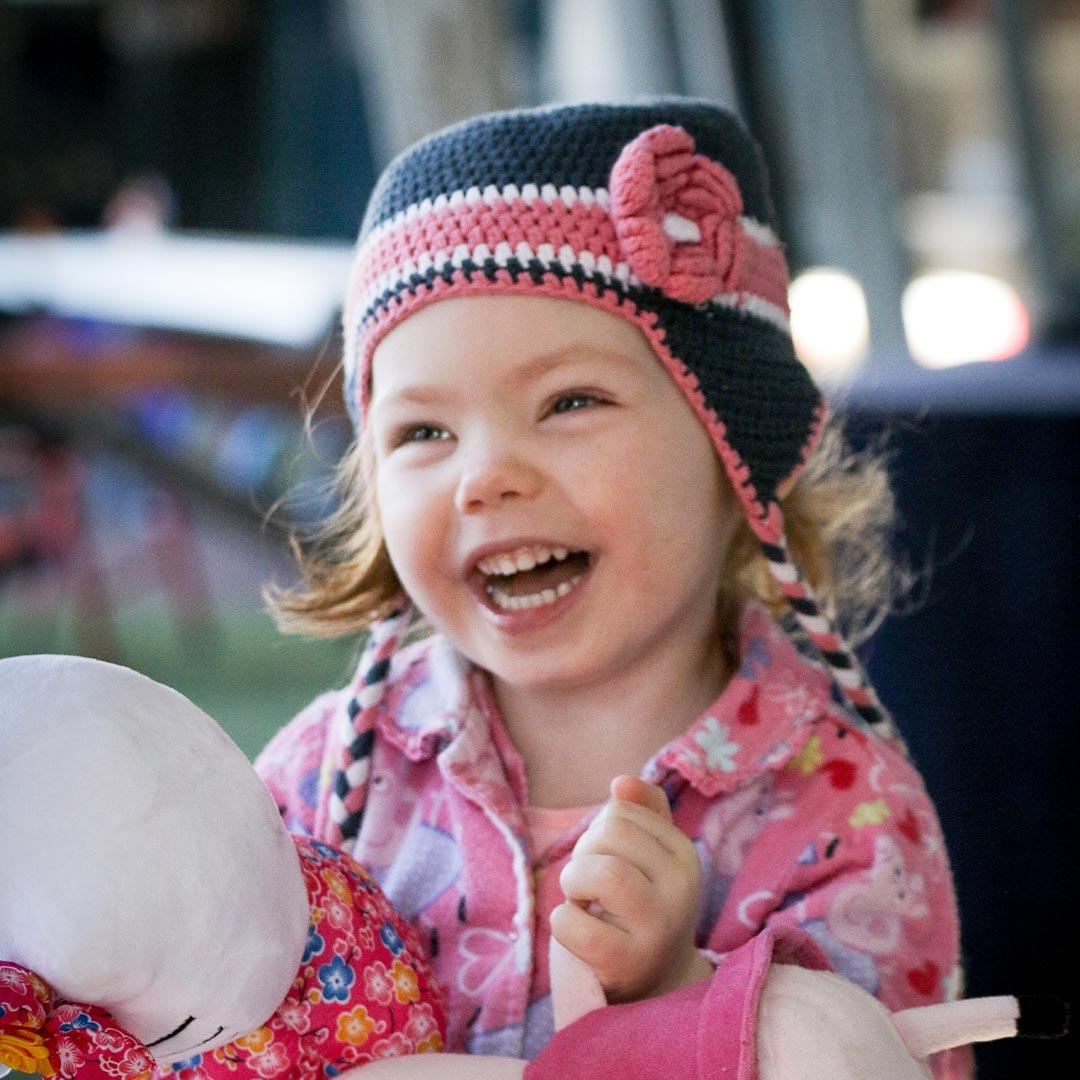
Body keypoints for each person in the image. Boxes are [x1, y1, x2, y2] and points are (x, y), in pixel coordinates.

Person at [256, 100, 968, 1078]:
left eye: (570, 403)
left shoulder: (842, 814)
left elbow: (876, 1065)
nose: (485, 476)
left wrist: (679, 989)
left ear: (734, 454)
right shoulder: (325, 781)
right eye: (423, 432)